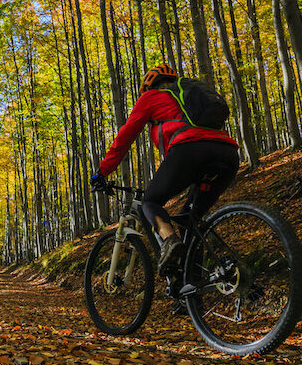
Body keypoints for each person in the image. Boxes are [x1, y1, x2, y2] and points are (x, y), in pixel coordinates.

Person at [90, 65, 240, 275]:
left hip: (190, 151)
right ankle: (189, 292)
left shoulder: (151, 97)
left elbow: (125, 137)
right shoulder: (189, 99)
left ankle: (169, 240)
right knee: (190, 220)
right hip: (228, 154)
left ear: (148, 85)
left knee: (149, 202)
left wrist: (102, 171)